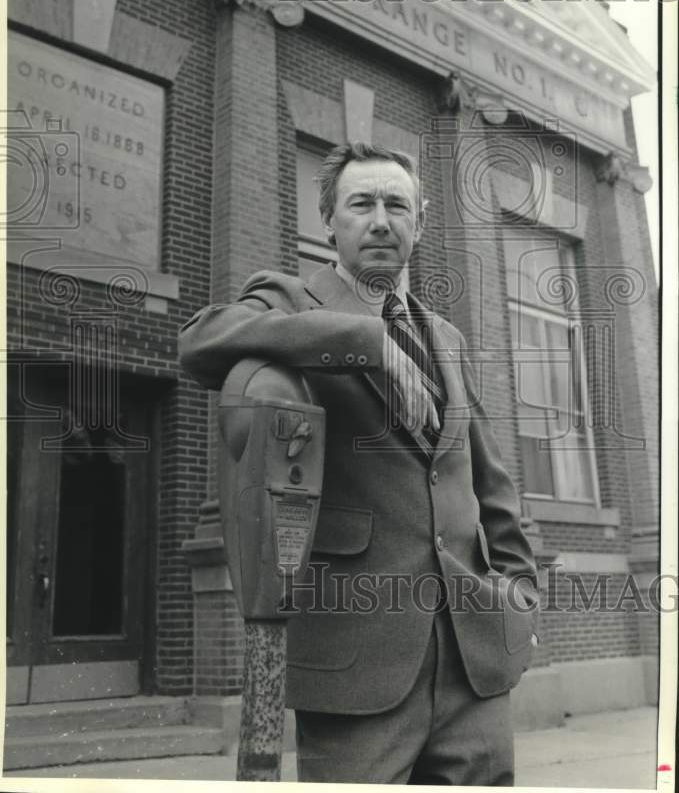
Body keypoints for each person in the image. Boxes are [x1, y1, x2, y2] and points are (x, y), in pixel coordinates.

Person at [179, 141, 539, 785]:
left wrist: (521, 595)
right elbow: (201, 340)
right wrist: (365, 339)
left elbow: (490, 482)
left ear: (419, 224)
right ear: (329, 222)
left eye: (397, 205)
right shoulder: (289, 300)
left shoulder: (446, 338)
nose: (380, 219)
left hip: (475, 661)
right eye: (361, 203)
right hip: (357, 665)